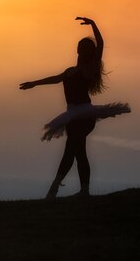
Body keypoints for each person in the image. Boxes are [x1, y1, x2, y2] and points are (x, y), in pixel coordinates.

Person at [19, 17, 130, 198]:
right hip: (71, 115)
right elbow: (54, 79)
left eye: (86, 48)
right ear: (77, 50)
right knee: (78, 152)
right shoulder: (70, 71)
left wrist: (93, 24)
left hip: (85, 114)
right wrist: (34, 83)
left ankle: (54, 189)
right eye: (80, 46)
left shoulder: (90, 68)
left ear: (90, 52)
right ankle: (82, 191)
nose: (82, 49)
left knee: (72, 149)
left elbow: (101, 44)